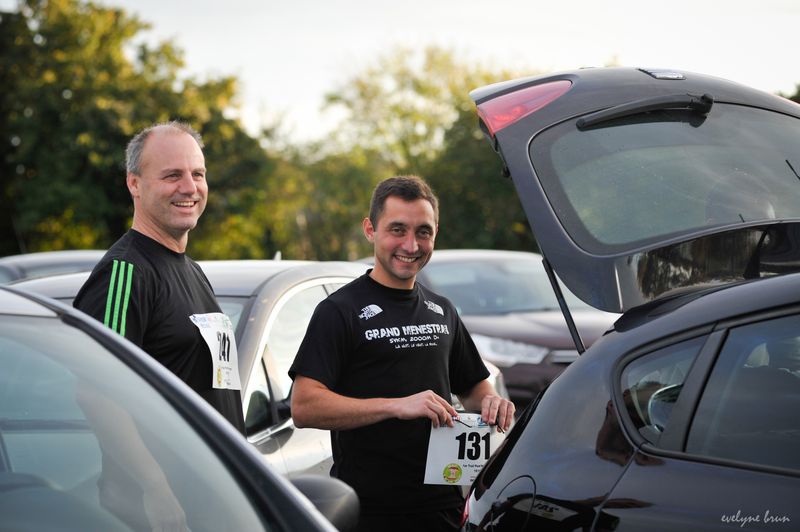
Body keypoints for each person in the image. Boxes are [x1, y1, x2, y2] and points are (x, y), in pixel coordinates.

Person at [289, 175, 515, 531]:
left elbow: (473, 387)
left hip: (442, 507)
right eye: (398, 230)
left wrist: (491, 402)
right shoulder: (339, 310)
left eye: (423, 232)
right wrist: (396, 406)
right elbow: (304, 406)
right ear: (370, 230)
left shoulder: (442, 310)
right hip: (368, 512)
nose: (411, 245)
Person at [74, 121, 244, 531]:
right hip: (163, 514)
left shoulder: (191, 270)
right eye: (172, 175)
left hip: (214, 499)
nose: (189, 187)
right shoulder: (125, 272)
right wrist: (155, 488)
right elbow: (96, 392)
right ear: (134, 183)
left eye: (197, 173)